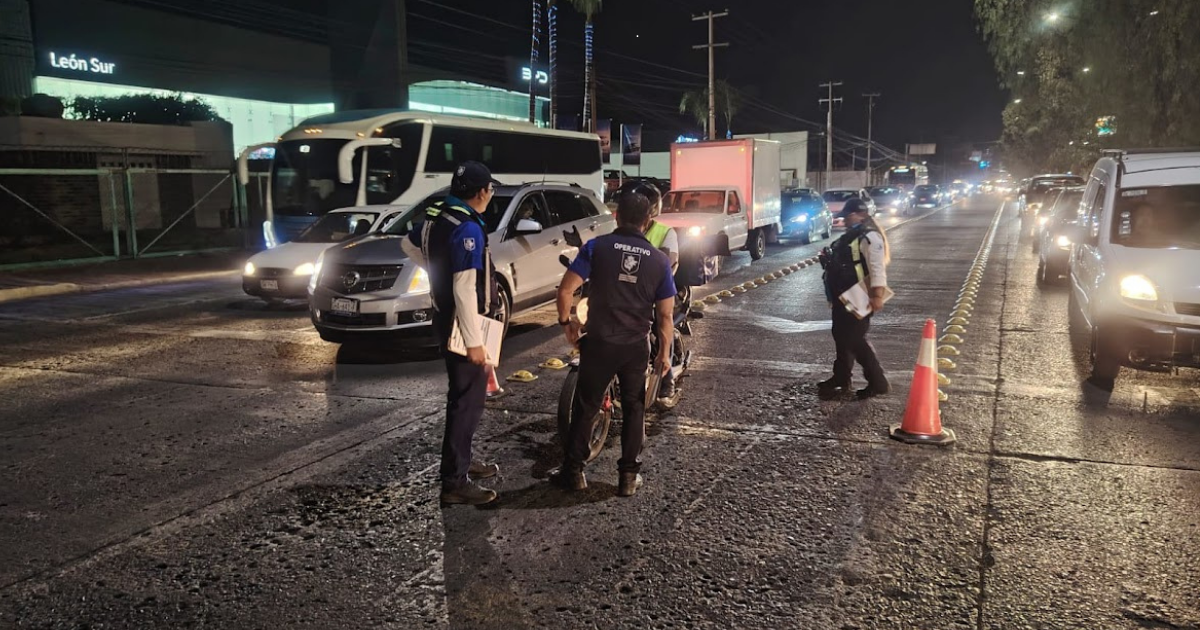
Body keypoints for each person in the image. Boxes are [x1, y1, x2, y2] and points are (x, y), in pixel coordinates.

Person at [553, 190, 677, 497]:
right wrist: (664, 354)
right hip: (636, 347)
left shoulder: (597, 247)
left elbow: (566, 290)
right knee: (635, 409)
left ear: (616, 216)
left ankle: (575, 473)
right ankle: (627, 479)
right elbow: (665, 317)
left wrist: (566, 322)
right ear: (648, 222)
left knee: (586, 407)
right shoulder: (660, 262)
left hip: (599, 343)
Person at [400, 161, 503, 506]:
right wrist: (474, 343)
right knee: (466, 402)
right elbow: (464, 290)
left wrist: (434, 267)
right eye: (489, 189)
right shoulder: (467, 229)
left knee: (465, 398)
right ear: (481, 192)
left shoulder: (439, 214)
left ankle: (463, 460)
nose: (490, 194)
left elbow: (408, 244)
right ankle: (455, 481)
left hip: (445, 316)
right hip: (462, 325)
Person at [618, 180, 684, 406]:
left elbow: (668, 262)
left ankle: (666, 383)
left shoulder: (666, 233)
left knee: (661, 321)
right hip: (624, 292)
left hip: (656, 293)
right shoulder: (619, 231)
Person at [818, 198, 892, 400]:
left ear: (855, 214)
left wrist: (877, 295)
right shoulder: (852, 236)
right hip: (843, 294)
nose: (845, 221)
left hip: (859, 294)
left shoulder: (870, 237)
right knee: (841, 337)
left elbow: (877, 269)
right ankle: (841, 377)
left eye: (847, 216)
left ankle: (878, 382)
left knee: (854, 339)